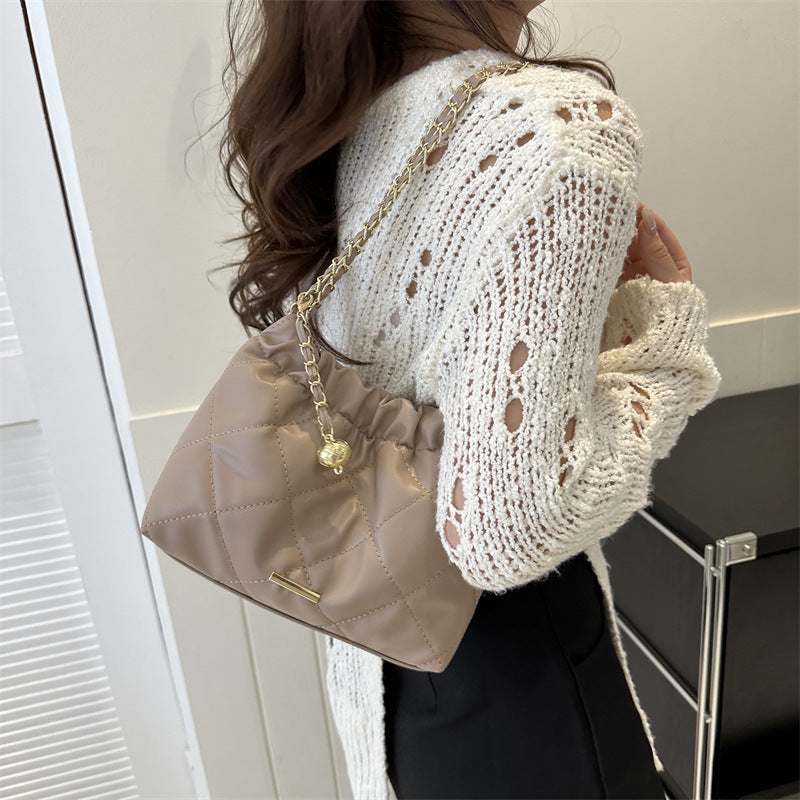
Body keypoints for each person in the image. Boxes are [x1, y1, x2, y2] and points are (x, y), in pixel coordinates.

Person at [215, 1, 722, 797]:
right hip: (518, 684)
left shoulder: (340, 111)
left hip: (395, 664)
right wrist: (664, 356)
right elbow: (506, 533)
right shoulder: (553, 127)